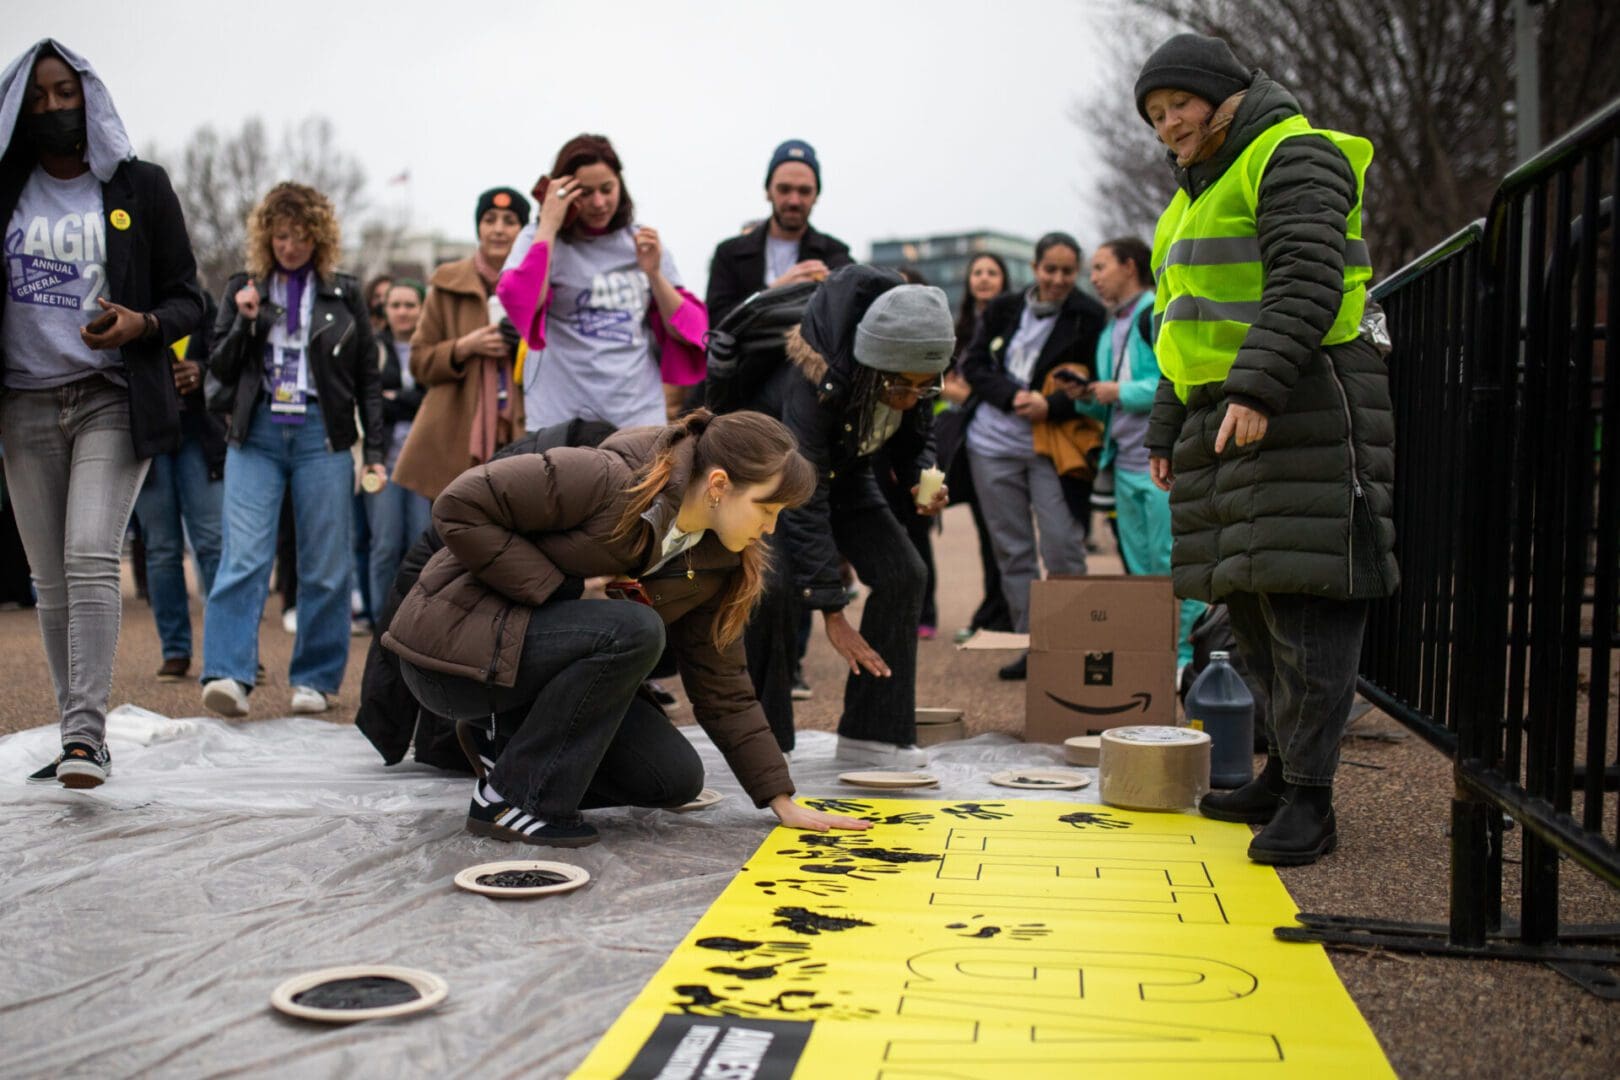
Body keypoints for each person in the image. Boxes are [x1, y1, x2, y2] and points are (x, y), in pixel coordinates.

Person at [1135, 33, 1396, 865]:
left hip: (1302, 399)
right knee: (1246, 603)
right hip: (1226, 413)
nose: (1168, 123)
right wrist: (1167, 427)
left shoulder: (1293, 153)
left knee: (1305, 602)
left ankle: (1314, 802)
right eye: (1155, 114)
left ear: (1222, 95)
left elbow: (1308, 277)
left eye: (1178, 104)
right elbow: (1181, 323)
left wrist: (1255, 387)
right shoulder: (1188, 199)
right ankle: (1283, 775)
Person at [382, 409, 870, 846]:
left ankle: (508, 749)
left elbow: (724, 686)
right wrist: (559, 588)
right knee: (634, 629)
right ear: (719, 484)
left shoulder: (719, 556)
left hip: (524, 677)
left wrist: (779, 797)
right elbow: (458, 504)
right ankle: (511, 799)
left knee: (672, 779)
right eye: (766, 508)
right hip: (452, 663)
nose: (770, 528)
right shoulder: (611, 478)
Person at [0, 40, 205, 787]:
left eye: (67, 95)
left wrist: (142, 325)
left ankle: (86, 737)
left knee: (90, 554)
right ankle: (70, 729)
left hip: (111, 396)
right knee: (47, 578)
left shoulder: (138, 186)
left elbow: (190, 295)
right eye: (39, 99)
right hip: (24, 402)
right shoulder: (5, 188)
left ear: (91, 99)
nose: (55, 109)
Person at [739, 265, 955, 764]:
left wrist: (924, 477)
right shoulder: (814, 384)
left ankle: (873, 733)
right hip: (771, 485)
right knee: (774, 591)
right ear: (872, 365)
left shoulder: (915, 374)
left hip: (846, 475)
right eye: (901, 386)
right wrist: (832, 610)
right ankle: (762, 745)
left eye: (926, 386)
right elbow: (801, 497)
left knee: (905, 573)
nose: (910, 397)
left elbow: (918, 438)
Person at [199, 181, 385, 719]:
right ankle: (229, 675)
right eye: (280, 235)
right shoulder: (244, 286)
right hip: (254, 435)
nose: (289, 246)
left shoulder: (344, 293)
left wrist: (373, 451)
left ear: (319, 237)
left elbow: (367, 378)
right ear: (266, 236)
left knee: (325, 564)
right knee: (245, 556)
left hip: (319, 434)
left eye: (301, 236)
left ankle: (315, 679)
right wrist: (246, 320)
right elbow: (219, 369)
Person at [960, 233, 1105, 680]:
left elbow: (1097, 381)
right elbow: (974, 364)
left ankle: (1076, 642)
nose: (1058, 279)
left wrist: (1051, 405)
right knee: (1013, 549)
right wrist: (1012, 397)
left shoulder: (1089, 315)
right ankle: (1034, 647)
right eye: (1050, 269)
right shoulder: (1004, 308)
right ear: (1036, 269)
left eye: (1067, 271)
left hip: (1053, 444)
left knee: (1063, 543)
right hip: (992, 443)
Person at [1060, 237, 1205, 673]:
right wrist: (1085, 396)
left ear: (1129, 266)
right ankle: (1156, 655)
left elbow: (1175, 379)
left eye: (1101, 267)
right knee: (1141, 569)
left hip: (1163, 461)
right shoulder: (1110, 329)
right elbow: (1110, 404)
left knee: (1174, 561)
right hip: (1122, 463)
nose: (1094, 277)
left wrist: (1116, 390)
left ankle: (1187, 656)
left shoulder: (1155, 316)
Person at [498, 134, 707, 430]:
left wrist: (655, 274)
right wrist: (548, 223)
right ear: (563, 190)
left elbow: (690, 331)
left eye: (607, 189)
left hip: (636, 419)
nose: (599, 203)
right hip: (562, 422)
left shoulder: (641, 241)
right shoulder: (537, 238)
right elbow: (523, 303)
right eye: (585, 192)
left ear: (620, 185)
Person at [394, 186, 528, 503]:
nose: (498, 229)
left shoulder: (537, 283)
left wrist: (520, 345)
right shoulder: (447, 282)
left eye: (509, 221)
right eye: (490, 219)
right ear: (478, 227)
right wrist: (464, 347)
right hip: (456, 433)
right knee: (452, 537)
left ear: (522, 230)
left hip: (520, 428)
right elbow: (419, 362)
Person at [132, 290, 227, 682]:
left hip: (198, 438)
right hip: (149, 437)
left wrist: (201, 372)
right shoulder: (129, 300)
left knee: (213, 543)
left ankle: (229, 650)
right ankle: (175, 650)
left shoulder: (202, 303)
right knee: (161, 548)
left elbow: (227, 355)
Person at [938, 252, 1013, 643]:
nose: (984, 279)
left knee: (1000, 533)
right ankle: (994, 612)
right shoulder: (961, 328)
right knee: (987, 532)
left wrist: (958, 390)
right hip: (965, 443)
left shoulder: (1013, 322)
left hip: (1001, 438)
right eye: (977, 273)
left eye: (992, 272)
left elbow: (989, 385)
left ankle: (1001, 613)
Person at [705, 139, 854, 327]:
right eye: (784, 189)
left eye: (804, 191)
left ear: (816, 196)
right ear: (768, 191)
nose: (794, 200)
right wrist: (777, 290)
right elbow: (716, 322)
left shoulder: (834, 254)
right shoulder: (729, 254)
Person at [365, 278, 430, 617]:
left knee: (419, 545)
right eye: (396, 305)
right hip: (383, 462)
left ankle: (415, 620)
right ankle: (382, 620)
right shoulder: (372, 348)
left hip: (421, 463)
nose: (403, 312)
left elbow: (433, 401)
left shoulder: (431, 347)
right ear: (385, 310)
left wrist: (396, 399)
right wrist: (410, 402)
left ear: (422, 310)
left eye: (410, 305)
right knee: (384, 546)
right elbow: (370, 400)